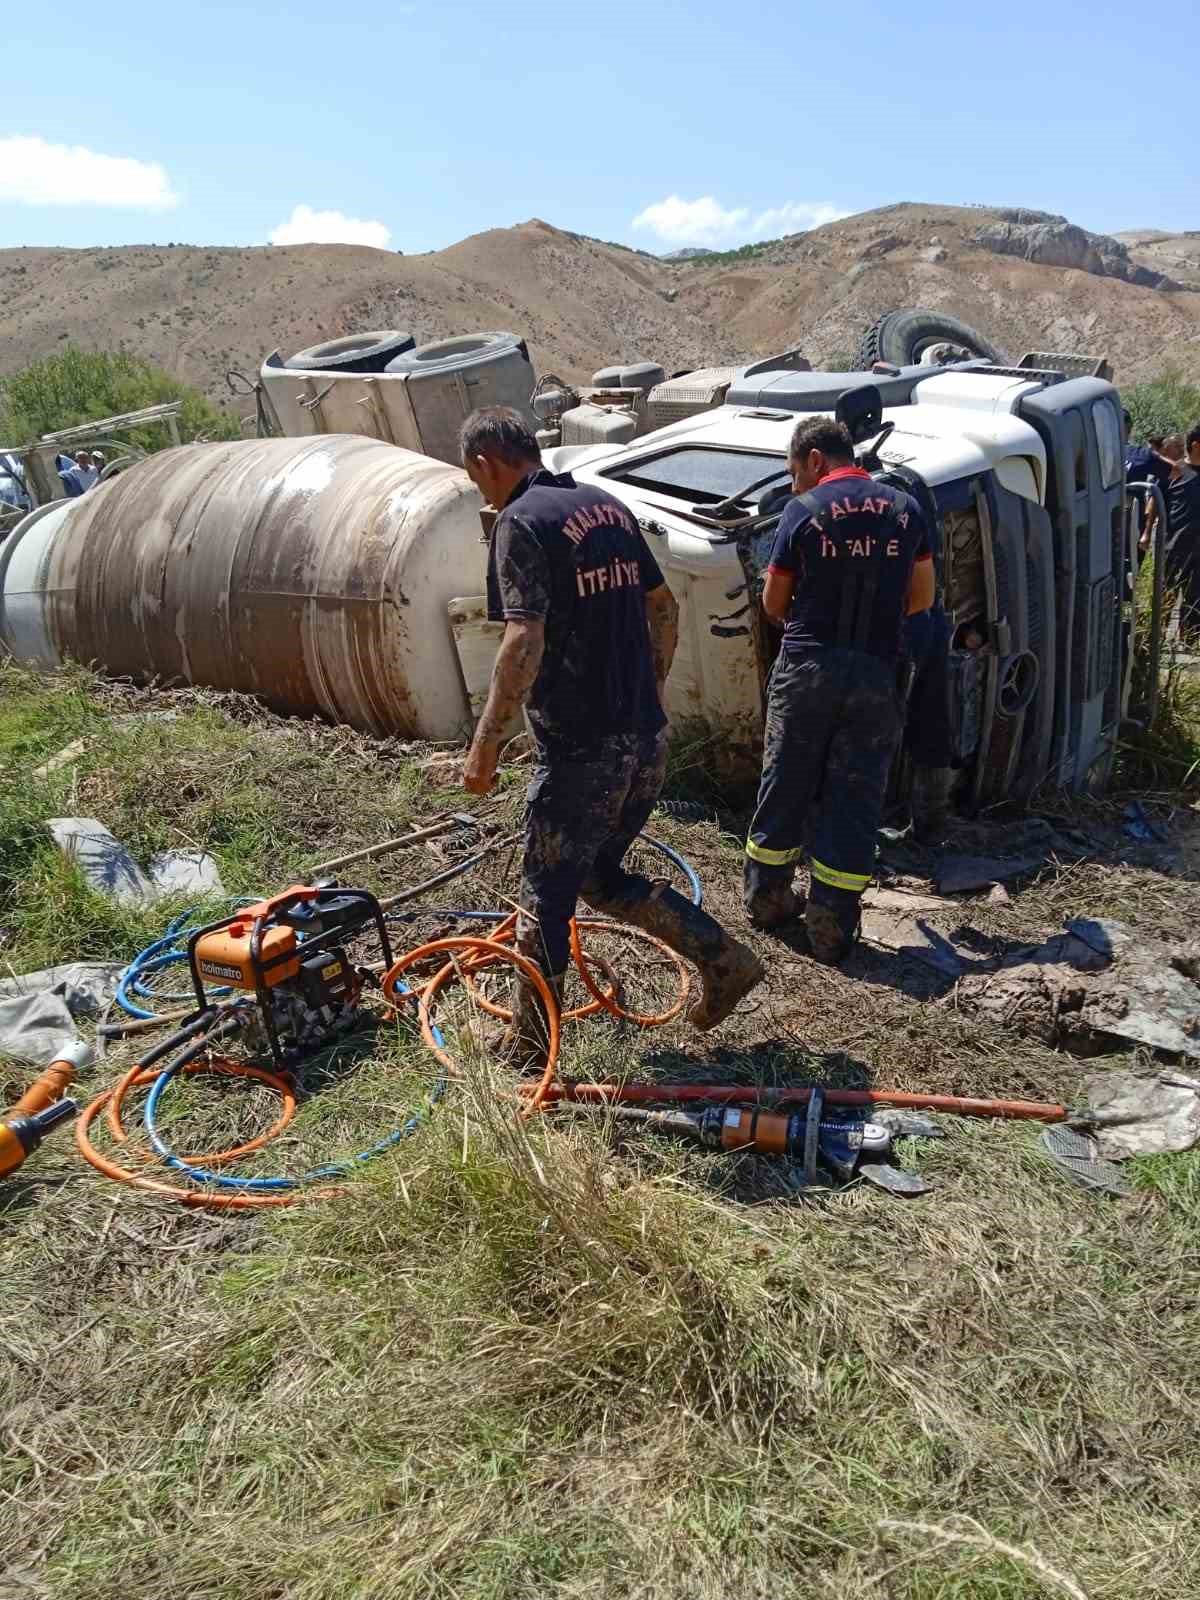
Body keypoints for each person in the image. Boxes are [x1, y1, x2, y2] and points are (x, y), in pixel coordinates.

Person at [459, 406, 763, 1062]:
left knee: (544, 893)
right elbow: (665, 606)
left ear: (486, 463)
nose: (481, 491)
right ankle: (724, 960)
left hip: (581, 750)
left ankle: (529, 1050)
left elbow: (522, 638)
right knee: (597, 876)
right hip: (644, 742)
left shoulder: (519, 523)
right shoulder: (606, 507)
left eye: (477, 478)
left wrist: (484, 745)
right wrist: (653, 691)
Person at [744, 416, 934, 964]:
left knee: (786, 782)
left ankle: (768, 901)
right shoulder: (905, 510)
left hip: (808, 668)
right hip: (876, 671)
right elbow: (921, 599)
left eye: (794, 472)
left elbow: (774, 604)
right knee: (856, 798)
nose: (795, 483)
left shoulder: (801, 512)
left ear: (815, 461)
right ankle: (830, 928)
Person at [1165, 424, 1200, 640]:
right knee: (1166, 593)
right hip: (1174, 546)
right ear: (1196, 445)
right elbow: (1155, 503)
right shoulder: (1175, 470)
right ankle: (1156, 645)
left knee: (1195, 598)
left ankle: (1190, 646)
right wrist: (1147, 533)